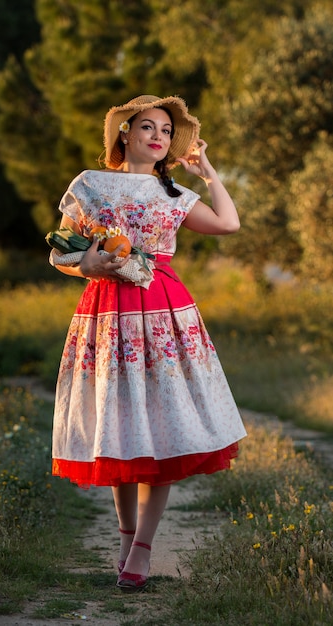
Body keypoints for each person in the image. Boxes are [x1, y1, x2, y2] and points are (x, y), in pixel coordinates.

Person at [50, 94, 247, 592]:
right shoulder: (89, 185)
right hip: (107, 311)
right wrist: (84, 266)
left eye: (165, 131)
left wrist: (209, 175)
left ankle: (142, 548)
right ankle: (125, 537)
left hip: (163, 312)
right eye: (147, 127)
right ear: (125, 133)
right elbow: (60, 250)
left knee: (159, 426)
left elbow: (229, 224)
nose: (158, 137)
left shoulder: (176, 194)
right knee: (119, 427)